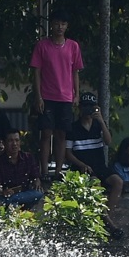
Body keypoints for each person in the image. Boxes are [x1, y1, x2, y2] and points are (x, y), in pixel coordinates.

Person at [31, 10, 83, 180]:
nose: (59, 27)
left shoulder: (73, 46)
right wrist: (38, 97)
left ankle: (59, 171)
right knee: (46, 134)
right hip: (47, 96)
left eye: (63, 23)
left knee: (61, 134)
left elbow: (75, 72)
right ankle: (44, 171)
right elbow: (37, 72)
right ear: (51, 25)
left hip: (66, 97)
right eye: (56, 23)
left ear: (67, 26)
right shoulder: (42, 46)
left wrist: (76, 95)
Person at [65, 92, 124, 227]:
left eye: (91, 107)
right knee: (95, 184)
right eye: (85, 107)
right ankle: (107, 222)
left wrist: (102, 121)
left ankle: (108, 215)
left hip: (99, 166)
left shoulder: (98, 126)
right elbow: (68, 153)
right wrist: (81, 164)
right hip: (84, 169)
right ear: (80, 108)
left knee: (118, 182)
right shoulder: (72, 128)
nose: (88, 110)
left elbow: (108, 141)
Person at [0, 129, 44, 208]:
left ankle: (10, 201)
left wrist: (37, 181)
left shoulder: (28, 157)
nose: (14, 144)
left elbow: (36, 176)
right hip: (7, 193)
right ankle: (12, 203)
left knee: (39, 193)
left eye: (17, 140)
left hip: (24, 193)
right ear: (4, 143)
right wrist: (3, 192)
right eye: (10, 141)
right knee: (10, 202)